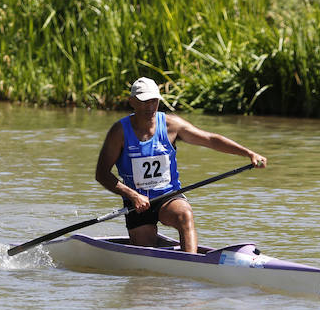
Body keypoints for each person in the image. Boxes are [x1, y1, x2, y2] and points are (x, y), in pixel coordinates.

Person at [95, 78, 267, 253]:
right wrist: (132, 195)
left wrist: (248, 153)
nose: (149, 107)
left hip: (168, 197)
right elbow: (102, 173)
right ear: (132, 102)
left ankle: (191, 263)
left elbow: (211, 140)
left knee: (184, 213)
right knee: (146, 257)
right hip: (136, 203)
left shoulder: (172, 125)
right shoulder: (119, 132)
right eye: (144, 101)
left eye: (153, 101)